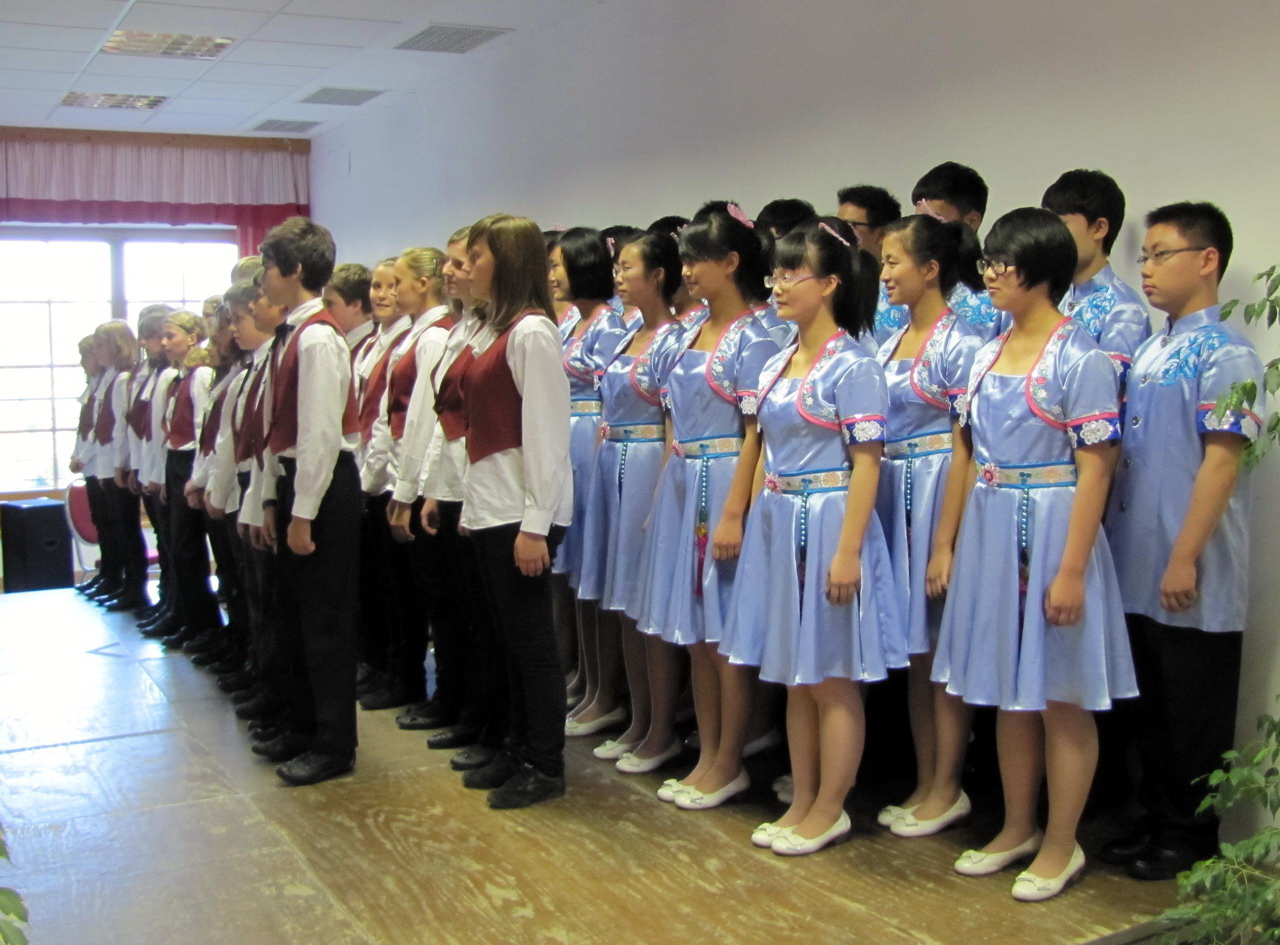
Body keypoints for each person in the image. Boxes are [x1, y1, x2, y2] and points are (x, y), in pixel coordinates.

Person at [927, 208, 1137, 901]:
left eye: (1003, 264)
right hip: (990, 525)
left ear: (1040, 272)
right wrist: (946, 542)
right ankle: (1017, 825)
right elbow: (964, 451)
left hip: (1053, 527)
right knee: (1008, 693)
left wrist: (1071, 570)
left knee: (1060, 694)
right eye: (987, 262)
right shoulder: (984, 353)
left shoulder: (1081, 357)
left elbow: (1097, 467)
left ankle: (1061, 841)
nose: (989, 274)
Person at [720, 219, 906, 854]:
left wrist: (849, 551)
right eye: (773, 274)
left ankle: (831, 808)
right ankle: (801, 798)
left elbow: (868, 464)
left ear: (829, 283)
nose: (776, 285)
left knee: (832, 675)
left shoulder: (854, 365)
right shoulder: (777, 360)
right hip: (779, 519)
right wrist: (743, 515)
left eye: (790, 274)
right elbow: (759, 444)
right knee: (795, 675)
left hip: (830, 521)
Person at [1103, 202, 1265, 880]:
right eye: (1143, 256)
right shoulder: (1150, 349)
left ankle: (1189, 836)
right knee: (1147, 707)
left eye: (1160, 254)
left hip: (1191, 567)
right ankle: (1150, 817)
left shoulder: (1230, 354)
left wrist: (1184, 556)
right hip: (1134, 561)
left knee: (1191, 708)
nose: (1146, 268)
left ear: (1207, 260)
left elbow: (1222, 462)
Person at [629, 202, 781, 809]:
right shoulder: (686, 332)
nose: (687, 270)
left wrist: (736, 512)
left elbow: (757, 435)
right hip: (683, 479)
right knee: (694, 633)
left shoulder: (757, 338)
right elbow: (670, 413)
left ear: (733, 262)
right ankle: (708, 753)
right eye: (684, 259)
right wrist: (663, 492)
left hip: (725, 482)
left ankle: (728, 760)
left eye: (698, 259)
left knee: (723, 636)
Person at [451, 213, 573, 809]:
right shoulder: (493, 330)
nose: (467, 266)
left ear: (509, 261)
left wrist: (535, 525)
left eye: (477, 255)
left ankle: (545, 763)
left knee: (531, 644)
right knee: (506, 639)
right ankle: (516, 746)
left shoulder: (532, 334)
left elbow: (547, 437)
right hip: (494, 505)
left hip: (522, 513)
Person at [871, 215, 987, 830]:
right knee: (917, 651)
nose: (884, 273)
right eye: (883, 262)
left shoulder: (962, 343)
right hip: (895, 492)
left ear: (931, 268)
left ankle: (949, 785)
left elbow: (969, 443)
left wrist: (946, 540)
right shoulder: (889, 340)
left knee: (942, 649)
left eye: (894, 261)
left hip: (939, 490)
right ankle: (924, 781)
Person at [249, 216, 362, 787]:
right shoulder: (291, 334)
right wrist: (273, 497)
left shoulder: (317, 336)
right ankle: (301, 725)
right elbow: (282, 428)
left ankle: (333, 743)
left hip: (322, 487)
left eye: (269, 266)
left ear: (294, 270)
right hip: (296, 482)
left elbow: (319, 434)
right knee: (293, 617)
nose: (263, 277)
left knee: (324, 622)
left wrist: (302, 513)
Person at [576, 231, 684, 771]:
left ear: (659, 274)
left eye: (628, 267)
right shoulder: (624, 333)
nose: (617, 276)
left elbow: (673, 425)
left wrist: (660, 496)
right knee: (618, 600)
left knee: (646, 606)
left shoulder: (675, 338)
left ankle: (661, 728)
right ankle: (636, 717)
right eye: (615, 267)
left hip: (645, 466)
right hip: (611, 463)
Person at [551, 227, 631, 737]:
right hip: (564, 439)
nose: (552, 275)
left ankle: (606, 689)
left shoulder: (608, 324)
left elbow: (611, 395)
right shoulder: (569, 321)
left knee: (592, 570)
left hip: (591, 440)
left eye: (558, 265)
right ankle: (582, 675)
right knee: (571, 571)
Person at [1041, 169, 1151, 374]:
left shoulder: (1124, 309)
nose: (1048, 236)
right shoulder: (1049, 297)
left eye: (1059, 225)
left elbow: (1108, 386)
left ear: (1099, 228)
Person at [156, 310, 221, 651]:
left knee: (187, 549)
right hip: (175, 461)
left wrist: (196, 477)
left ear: (193, 338)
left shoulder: (200, 375)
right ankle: (187, 618)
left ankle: (204, 624)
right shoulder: (178, 376)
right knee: (176, 547)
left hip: (191, 462)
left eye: (171, 336)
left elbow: (202, 429)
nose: (165, 343)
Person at [911, 162, 1005, 340]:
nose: (921, 232)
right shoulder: (906, 290)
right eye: (918, 222)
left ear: (972, 221)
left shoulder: (996, 294)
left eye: (933, 220)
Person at [837, 184, 908, 349]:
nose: (839, 233)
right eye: (838, 224)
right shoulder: (830, 286)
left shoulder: (901, 293)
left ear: (882, 234)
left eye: (849, 226)